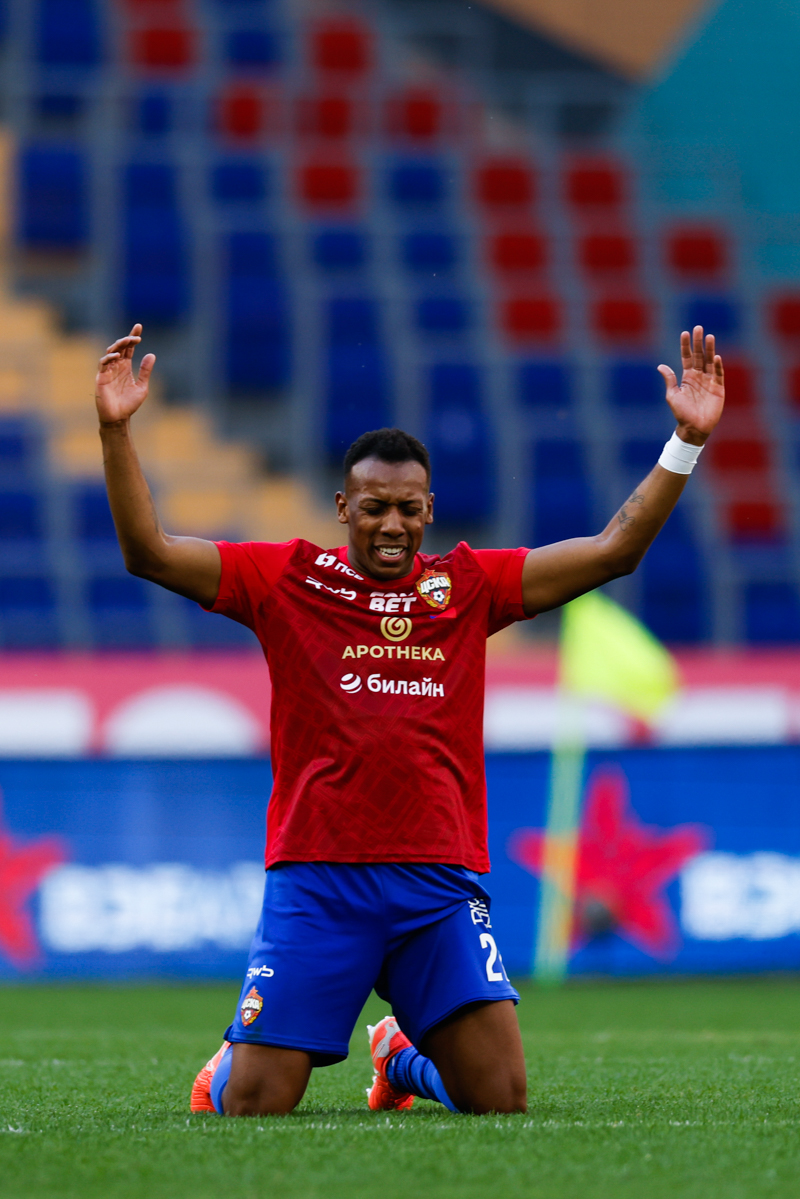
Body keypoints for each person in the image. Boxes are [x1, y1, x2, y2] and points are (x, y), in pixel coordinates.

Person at [95, 323, 724, 1116]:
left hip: (435, 881)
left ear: (429, 509)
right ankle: (233, 1063)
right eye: (373, 508)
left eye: (407, 508)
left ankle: (400, 1057)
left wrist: (685, 442)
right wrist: (115, 430)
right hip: (320, 876)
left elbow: (613, 551)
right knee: (254, 1104)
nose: (391, 524)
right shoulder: (284, 578)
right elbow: (148, 551)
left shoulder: (467, 588)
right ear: (343, 508)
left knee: (499, 1098)